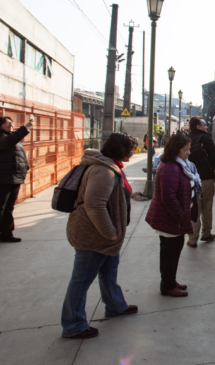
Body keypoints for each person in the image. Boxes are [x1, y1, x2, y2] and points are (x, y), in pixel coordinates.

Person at [61, 132, 139, 339]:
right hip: (94, 236)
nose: (134, 152)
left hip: (102, 236)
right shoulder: (104, 171)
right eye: (132, 149)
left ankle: (115, 305)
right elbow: (94, 205)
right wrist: (110, 233)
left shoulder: (109, 166)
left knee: (108, 273)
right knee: (81, 280)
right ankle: (73, 324)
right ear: (123, 150)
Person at [145, 133, 200, 297]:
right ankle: (168, 285)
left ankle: (170, 281)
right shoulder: (170, 167)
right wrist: (181, 216)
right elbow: (168, 197)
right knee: (169, 252)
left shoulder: (179, 165)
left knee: (174, 250)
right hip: (170, 219)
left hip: (174, 219)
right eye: (185, 150)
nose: (188, 153)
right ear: (176, 150)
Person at [0, 116, 34, 250]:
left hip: (13, 178)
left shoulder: (10, 137)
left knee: (9, 208)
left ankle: (6, 233)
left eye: (11, 122)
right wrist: (26, 127)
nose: (10, 125)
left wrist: (24, 168)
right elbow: (7, 142)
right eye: (7, 123)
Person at [186, 116, 215, 248]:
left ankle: (192, 239)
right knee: (207, 206)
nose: (206, 127)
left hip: (191, 179)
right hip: (206, 178)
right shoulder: (206, 138)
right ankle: (206, 233)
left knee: (194, 208)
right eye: (204, 125)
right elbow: (213, 156)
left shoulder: (186, 139)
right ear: (198, 126)